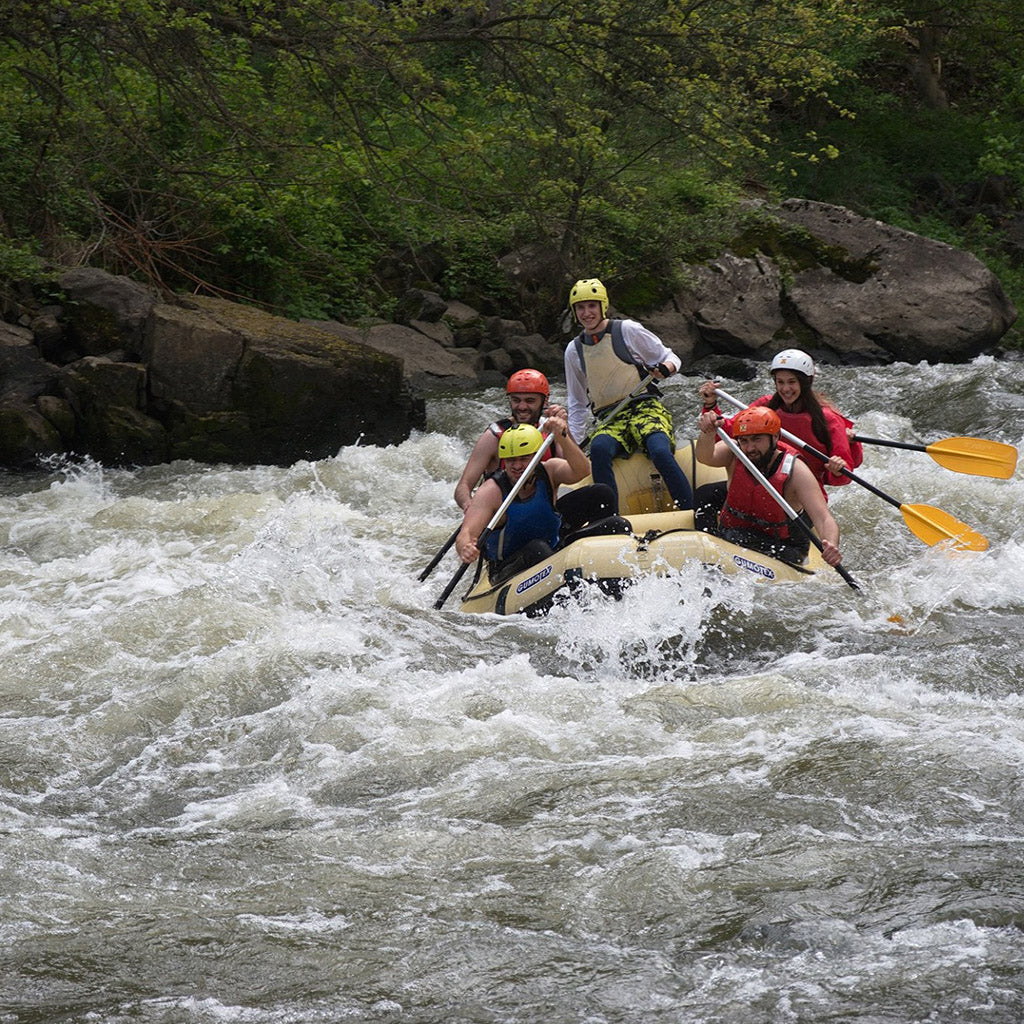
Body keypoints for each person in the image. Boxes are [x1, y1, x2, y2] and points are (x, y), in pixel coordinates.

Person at [563, 278, 693, 512]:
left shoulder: (627, 330)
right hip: (610, 417)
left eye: (591, 306)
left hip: (645, 406)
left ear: (603, 306)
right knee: (600, 449)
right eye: (580, 307)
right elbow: (577, 403)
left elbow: (671, 357)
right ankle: (607, 517)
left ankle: (689, 510)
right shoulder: (574, 350)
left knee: (660, 450)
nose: (586, 313)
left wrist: (666, 370)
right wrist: (572, 444)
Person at [455, 418, 629, 583]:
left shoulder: (549, 470)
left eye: (524, 458)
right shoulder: (491, 491)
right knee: (538, 549)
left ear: (537, 456)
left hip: (551, 546)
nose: (516, 466)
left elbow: (582, 470)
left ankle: (608, 567)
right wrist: (466, 547)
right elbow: (467, 533)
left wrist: (562, 436)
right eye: (511, 460)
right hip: (509, 565)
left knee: (607, 504)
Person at [698, 348, 863, 498]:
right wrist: (711, 406)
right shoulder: (766, 405)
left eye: (792, 382)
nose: (785, 388)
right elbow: (729, 430)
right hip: (765, 483)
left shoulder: (828, 419)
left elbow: (844, 475)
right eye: (780, 382)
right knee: (705, 494)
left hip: (800, 494)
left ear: (805, 382)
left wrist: (837, 469)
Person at [694, 405, 844, 568]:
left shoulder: (796, 471)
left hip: (784, 546)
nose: (750, 448)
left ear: (775, 437)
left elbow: (823, 518)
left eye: (757, 439)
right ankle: (707, 548)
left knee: (735, 536)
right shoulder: (735, 451)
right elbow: (705, 457)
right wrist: (707, 433)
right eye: (744, 440)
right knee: (706, 495)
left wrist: (831, 545)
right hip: (736, 531)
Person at [454, 368, 566, 510]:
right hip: (505, 516)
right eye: (516, 400)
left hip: (543, 513)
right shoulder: (494, 436)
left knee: (597, 493)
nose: (522, 407)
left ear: (545, 401)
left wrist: (563, 430)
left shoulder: (551, 430)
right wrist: (471, 509)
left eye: (530, 401)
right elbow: (462, 488)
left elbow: (576, 471)